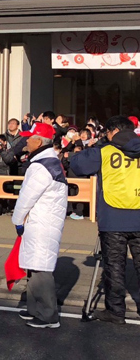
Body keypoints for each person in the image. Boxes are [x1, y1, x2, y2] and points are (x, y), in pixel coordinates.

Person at [70, 116, 140, 325]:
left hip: (114, 217)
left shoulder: (105, 150)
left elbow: (77, 165)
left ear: (113, 131)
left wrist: (100, 143)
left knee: (114, 267)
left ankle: (116, 311)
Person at [12, 122, 68, 329]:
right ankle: (35, 309)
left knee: (40, 268)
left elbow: (26, 197)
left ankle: (48, 315)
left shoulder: (40, 166)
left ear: (39, 141)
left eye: (29, 137)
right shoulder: (50, 161)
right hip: (45, 220)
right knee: (34, 266)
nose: (26, 140)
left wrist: (17, 220)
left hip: (41, 221)